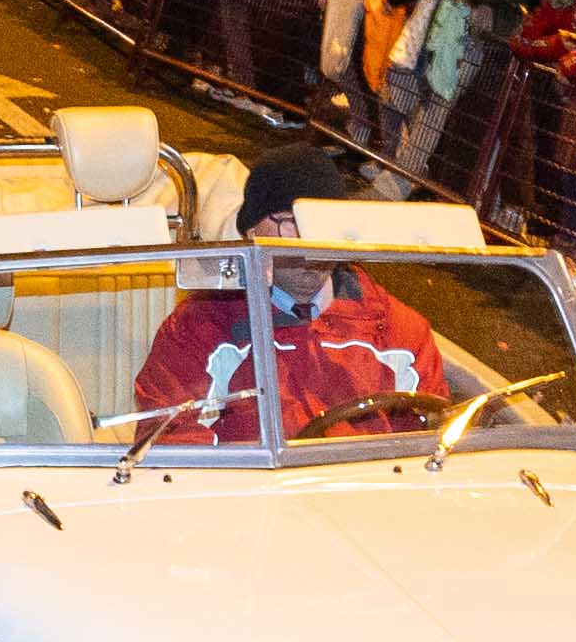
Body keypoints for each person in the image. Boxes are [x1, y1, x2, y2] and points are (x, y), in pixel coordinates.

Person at [131, 149, 449, 443]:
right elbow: (168, 441)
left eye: (325, 224)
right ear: (253, 233)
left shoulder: (403, 334)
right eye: (293, 223)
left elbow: (430, 450)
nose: (311, 243)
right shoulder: (197, 333)